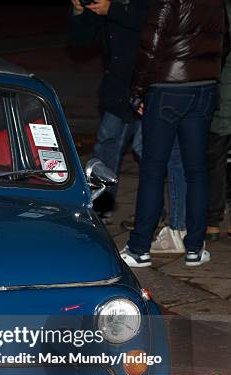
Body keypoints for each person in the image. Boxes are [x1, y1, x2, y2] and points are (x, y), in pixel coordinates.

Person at [121, 0, 229, 267]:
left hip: (167, 88)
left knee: (153, 169)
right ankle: (194, 247)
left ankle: (139, 248)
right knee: (196, 170)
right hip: (203, 88)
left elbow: (151, 44)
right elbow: (223, 42)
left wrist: (138, 90)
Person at [68, 0, 186, 243]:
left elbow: (153, 22)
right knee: (107, 145)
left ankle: (158, 214)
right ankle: (101, 205)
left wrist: (113, 10)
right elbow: (82, 39)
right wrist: (80, 11)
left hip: (149, 87)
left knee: (149, 150)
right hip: (119, 90)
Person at [205, 0, 231, 241]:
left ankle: (213, 221)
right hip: (223, 94)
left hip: (223, 96)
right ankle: (213, 219)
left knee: (215, 159)